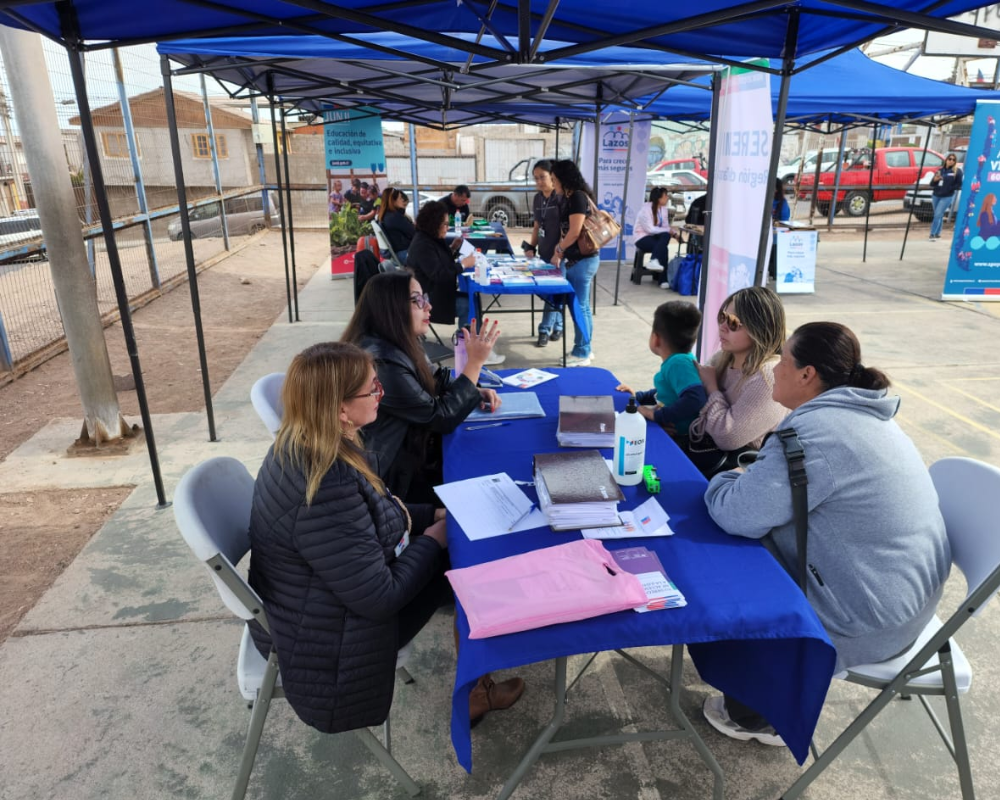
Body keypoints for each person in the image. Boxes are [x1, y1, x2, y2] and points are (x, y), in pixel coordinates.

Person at [249, 341, 523, 730]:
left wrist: (437, 513)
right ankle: (478, 690)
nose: (382, 394)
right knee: (470, 566)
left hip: (319, 605)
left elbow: (374, 514)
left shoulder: (307, 442)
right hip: (334, 643)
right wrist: (435, 537)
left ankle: (480, 678)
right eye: (372, 389)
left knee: (466, 547)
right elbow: (379, 597)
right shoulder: (325, 483)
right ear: (341, 408)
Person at [701, 322, 951, 745]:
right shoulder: (861, 415)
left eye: (782, 359)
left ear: (807, 375)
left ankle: (760, 713)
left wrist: (723, 479)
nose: (774, 368)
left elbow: (736, 514)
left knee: (730, 562)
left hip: (868, 622)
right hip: (909, 604)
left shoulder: (814, 435)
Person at [342, 270, 504, 503]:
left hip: (413, 453)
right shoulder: (381, 363)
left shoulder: (399, 341)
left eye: (424, 298)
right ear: (392, 307)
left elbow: (437, 378)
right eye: (417, 300)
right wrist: (475, 363)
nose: (428, 306)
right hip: (393, 480)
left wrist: (473, 391)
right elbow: (441, 418)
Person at [685, 286, 787, 476]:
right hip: (709, 459)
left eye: (733, 322)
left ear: (759, 328)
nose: (722, 326)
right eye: (722, 317)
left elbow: (728, 436)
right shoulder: (723, 358)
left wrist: (712, 387)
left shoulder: (767, 375)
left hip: (741, 475)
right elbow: (692, 399)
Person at [405, 201, 504, 364]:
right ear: (434, 224)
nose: (447, 227)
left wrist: (452, 249)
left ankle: (472, 341)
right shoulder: (423, 244)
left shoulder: (430, 238)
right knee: (467, 304)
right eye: (445, 224)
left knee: (473, 299)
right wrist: (464, 263)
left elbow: (439, 263)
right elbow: (440, 274)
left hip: (436, 292)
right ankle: (470, 347)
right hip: (428, 299)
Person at [615, 301, 707, 438]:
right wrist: (637, 397)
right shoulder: (680, 361)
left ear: (656, 339)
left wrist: (655, 415)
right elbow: (666, 393)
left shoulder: (679, 363)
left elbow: (695, 398)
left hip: (680, 440)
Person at [550, 159, 600, 367]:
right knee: (582, 306)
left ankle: (582, 351)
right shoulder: (573, 197)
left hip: (582, 260)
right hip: (579, 260)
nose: (553, 184)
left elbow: (575, 231)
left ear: (564, 179)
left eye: (554, 180)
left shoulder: (577, 198)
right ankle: (584, 348)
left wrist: (559, 250)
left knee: (579, 307)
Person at [523, 159, 565, 347]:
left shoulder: (561, 197)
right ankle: (559, 325)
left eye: (543, 177)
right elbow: (537, 226)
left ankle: (544, 329)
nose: (539, 181)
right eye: (536, 178)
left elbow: (567, 229)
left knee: (552, 292)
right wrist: (531, 247)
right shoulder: (538, 198)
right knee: (552, 294)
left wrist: (559, 251)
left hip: (560, 254)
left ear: (552, 176)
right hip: (544, 252)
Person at [633, 186, 675, 274]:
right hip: (642, 238)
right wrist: (668, 230)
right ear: (659, 198)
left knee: (665, 237)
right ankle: (659, 272)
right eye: (665, 196)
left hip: (654, 237)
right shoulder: (645, 210)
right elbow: (650, 230)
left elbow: (665, 226)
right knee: (663, 247)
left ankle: (657, 270)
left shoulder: (663, 209)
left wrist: (673, 233)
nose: (667, 198)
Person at [929, 153, 962, 240]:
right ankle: (938, 233)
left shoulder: (957, 171)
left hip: (947, 196)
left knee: (937, 215)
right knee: (938, 215)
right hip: (936, 195)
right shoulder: (940, 170)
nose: (951, 161)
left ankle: (932, 234)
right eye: (949, 159)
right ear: (946, 160)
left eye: (953, 160)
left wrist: (949, 188)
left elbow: (959, 184)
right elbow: (932, 184)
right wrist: (935, 179)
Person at [377, 187, 415, 262]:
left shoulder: (385, 216)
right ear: (393, 201)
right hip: (403, 253)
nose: (403, 200)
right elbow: (413, 233)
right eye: (400, 198)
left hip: (397, 254)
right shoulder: (395, 217)